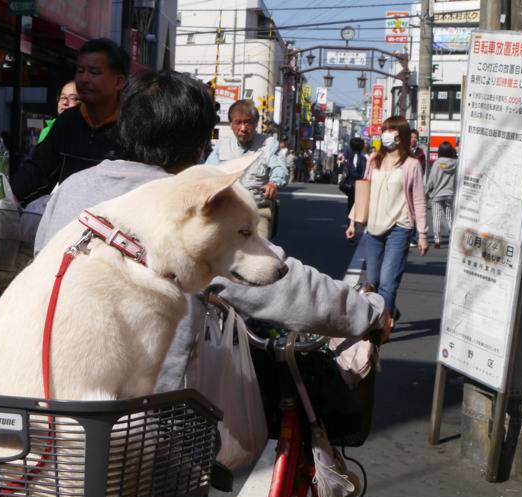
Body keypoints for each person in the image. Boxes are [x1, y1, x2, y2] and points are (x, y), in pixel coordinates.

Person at [34, 70, 389, 396]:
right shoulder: (192, 205)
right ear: (199, 145)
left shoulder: (73, 187)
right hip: (149, 412)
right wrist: (369, 312)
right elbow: (285, 287)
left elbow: (40, 261)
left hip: (48, 394)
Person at [11, 38, 129, 203]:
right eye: (80, 71)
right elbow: (37, 168)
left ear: (118, 82)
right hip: (67, 217)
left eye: (94, 72)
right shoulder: (67, 121)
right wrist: (8, 197)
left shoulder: (132, 126)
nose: (84, 79)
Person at [344, 115, 428, 323]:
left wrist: (423, 234)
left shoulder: (411, 164)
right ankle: (391, 311)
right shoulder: (374, 160)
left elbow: (419, 199)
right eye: (385, 130)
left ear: (402, 135)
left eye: (391, 131)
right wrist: (353, 221)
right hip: (374, 227)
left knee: (388, 283)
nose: (386, 135)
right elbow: (364, 193)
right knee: (373, 282)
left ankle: (381, 328)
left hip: (400, 227)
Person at [205, 100, 288, 239]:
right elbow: (207, 172)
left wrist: (273, 183)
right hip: (225, 212)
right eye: (238, 122)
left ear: (255, 124)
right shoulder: (222, 145)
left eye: (248, 122)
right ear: (231, 124)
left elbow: (279, 167)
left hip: (257, 212)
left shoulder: (268, 144)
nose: (243, 128)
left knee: (259, 250)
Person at [425, 141, 458, 248]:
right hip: (450, 193)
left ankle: (437, 240)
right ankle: (452, 237)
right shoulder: (455, 163)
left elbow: (431, 180)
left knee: (436, 217)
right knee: (449, 216)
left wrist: (426, 191)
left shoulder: (437, 163)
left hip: (437, 194)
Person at [37, 80, 79, 145]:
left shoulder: (87, 133)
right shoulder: (47, 131)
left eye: (72, 98)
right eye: (62, 97)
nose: (65, 102)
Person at [341, 137, 368, 216]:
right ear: (362, 147)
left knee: (351, 205)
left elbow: (349, 169)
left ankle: (350, 220)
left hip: (349, 184)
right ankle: (352, 220)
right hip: (359, 185)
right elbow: (363, 172)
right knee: (357, 206)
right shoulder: (363, 158)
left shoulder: (349, 157)